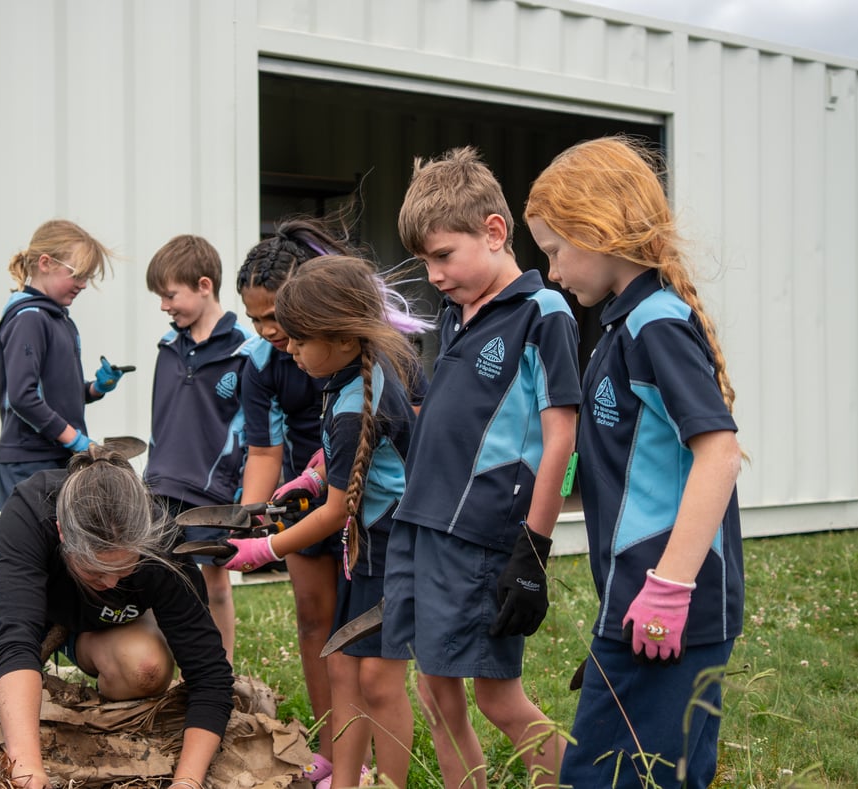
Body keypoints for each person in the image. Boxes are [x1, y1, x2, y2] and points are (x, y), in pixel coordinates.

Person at [524, 135, 743, 789]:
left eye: (556, 251)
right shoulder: (621, 329)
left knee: (603, 776)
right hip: (634, 598)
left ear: (599, 228)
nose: (555, 273)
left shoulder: (656, 324)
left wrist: (670, 591)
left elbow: (720, 454)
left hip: (667, 606)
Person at [386, 146, 581, 789]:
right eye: (425, 262)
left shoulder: (543, 313)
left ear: (494, 232)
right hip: (423, 523)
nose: (435, 274)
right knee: (437, 697)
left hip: (483, 538)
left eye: (444, 255)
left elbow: (561, 439)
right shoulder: (454, 312)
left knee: (497, 700)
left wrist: (534, 550)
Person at [0, 447, 234, 789]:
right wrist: (27, 771)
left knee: (146, 668)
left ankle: (90, 713)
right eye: (97, 571)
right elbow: (15, 641)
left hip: (106, 624)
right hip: (31, 603)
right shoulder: (32, 506)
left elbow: (209, 675)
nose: (111, 581)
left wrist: (187, 781)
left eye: (123, 569)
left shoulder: (160, 541)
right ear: (61, 532)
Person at [236, 218, 430, 784]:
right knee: (344, 671)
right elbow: (340, 462)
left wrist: (262, 548)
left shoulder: (355, 404)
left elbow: (337, 510)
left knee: (377, 682)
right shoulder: (346, 381)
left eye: (296, 337)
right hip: (362, 551)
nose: (287, 348)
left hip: (389, 552)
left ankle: (389, 782)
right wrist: (313, 476)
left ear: (341, 337)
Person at [143, 234, 258, 661]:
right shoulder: (168, 348)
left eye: (170, 294)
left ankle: (222, 665)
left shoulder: (245, 349)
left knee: (214, 582)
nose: (163, 305)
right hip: (161, 485)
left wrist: (242, 494)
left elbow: (253, 431)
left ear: (204, 285)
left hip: (213, 493)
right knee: (161, 577)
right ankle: (166, 666)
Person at [0, 219, 130, 509]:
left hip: (55, 455)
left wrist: (94, 389)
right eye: (77, 274)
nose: (84, 285)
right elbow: (23, 397)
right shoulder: (29, 319)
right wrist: (77, 442)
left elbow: (55, 394)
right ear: (45, 263)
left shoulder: (58, 319)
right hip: (30, 462)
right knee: (31, 548)